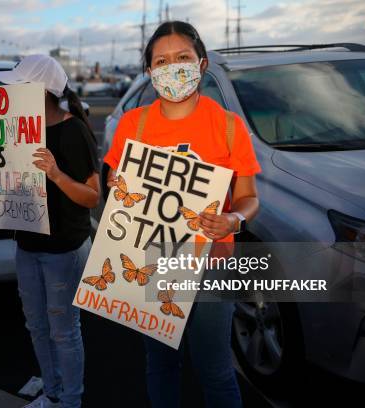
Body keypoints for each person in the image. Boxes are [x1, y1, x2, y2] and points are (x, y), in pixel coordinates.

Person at [103, 21, 261, 408]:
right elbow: (114, 183)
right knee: (160, 363)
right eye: (162, 60)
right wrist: (116, 186)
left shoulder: (228, 126)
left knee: (215, 369)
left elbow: (249, 199)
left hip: (211, 262)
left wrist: (233, 220)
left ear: (201, 63)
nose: (173, 67)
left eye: (183, 58)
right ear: (149, 71)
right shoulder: (133, 124)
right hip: (153, 261)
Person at [0, 54, 100, 408]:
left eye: (16, 84)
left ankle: (70, 401)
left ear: (39, 90)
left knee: (63, 330)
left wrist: (56, 174)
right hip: (27, 243)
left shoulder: (73, 129)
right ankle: (53, 392)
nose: (8, 90)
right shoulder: (13, 127)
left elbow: (92, 196)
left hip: (63, 248)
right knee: (37, 326)